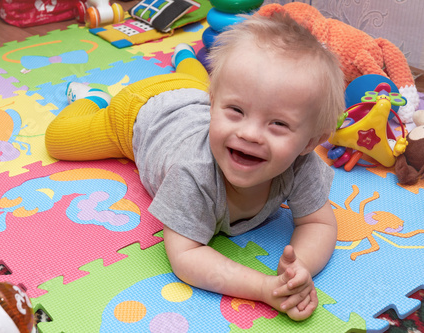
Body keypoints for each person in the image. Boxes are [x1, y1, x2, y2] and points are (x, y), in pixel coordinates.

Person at [45, 12, 345, 321]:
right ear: (213, 105)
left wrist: (298, 271)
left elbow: (318, 223)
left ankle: (185, 57)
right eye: (236, 111)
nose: (249, 134)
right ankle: (93, 98)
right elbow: (186, 256)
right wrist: (265, 288)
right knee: (57, 141)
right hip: (136, 113)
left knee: (196, 81)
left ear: (310, 142)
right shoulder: (193, 172)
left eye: (278, 124)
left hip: (192, 89)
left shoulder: (303, 164)